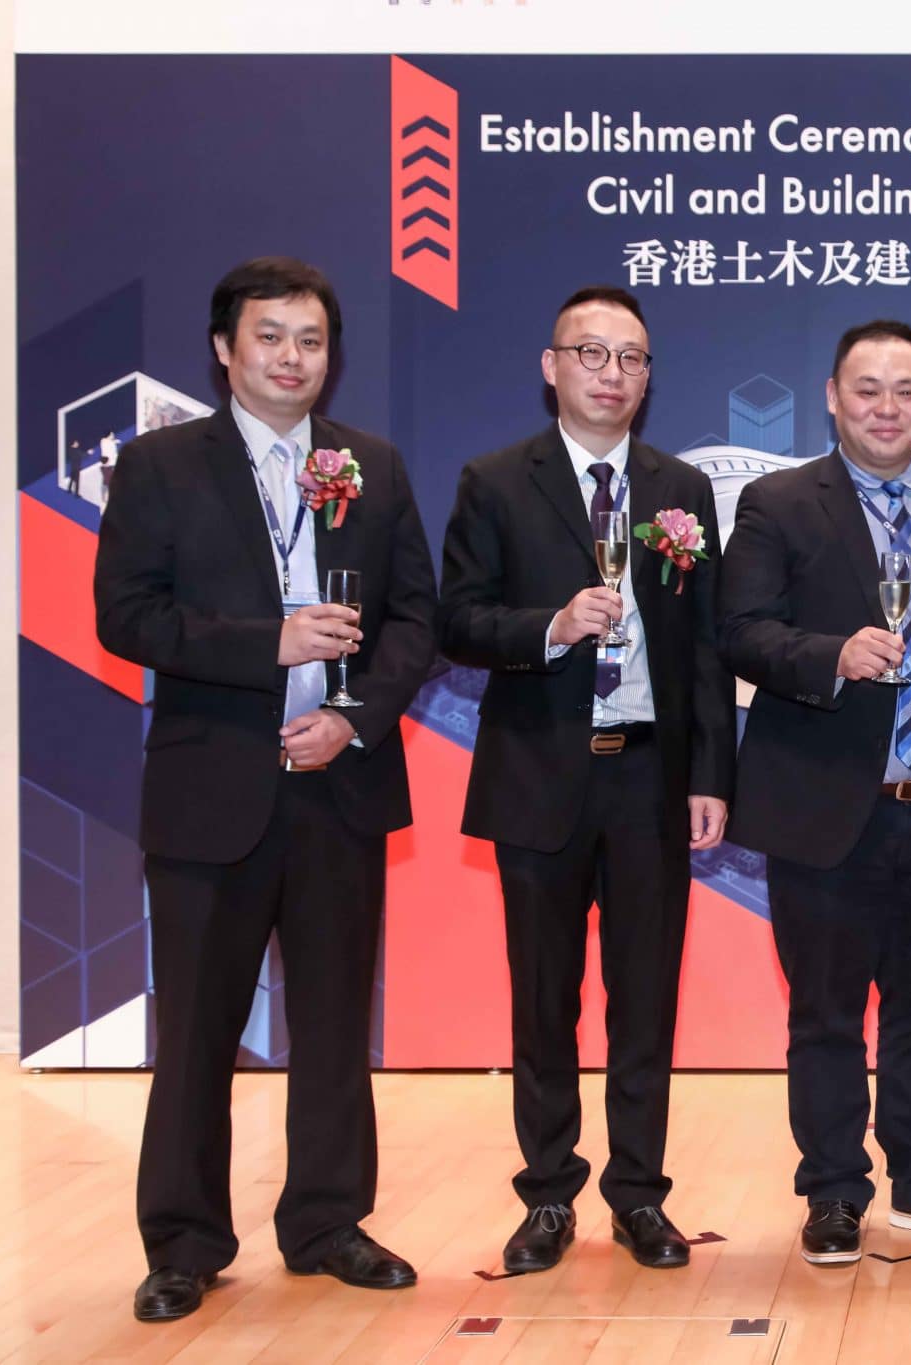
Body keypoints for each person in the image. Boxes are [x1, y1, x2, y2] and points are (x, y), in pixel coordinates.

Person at [95, 256, 438, 1321]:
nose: (292, 358)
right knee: (197, 1027)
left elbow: (414, 621)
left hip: (336, 787)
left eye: (311, 340)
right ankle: (185, 1241)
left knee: (335, 1022)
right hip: (212, 792)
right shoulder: (160, 466)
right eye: (270, 337)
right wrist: (268, 643)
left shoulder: (369, 465)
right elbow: (126, 618)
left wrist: (351, 719)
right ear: (223, 348)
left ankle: (328, 1220)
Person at [438, 285, 735, 1273]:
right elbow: (457, 621)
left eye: (632, 359)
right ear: (550, 364)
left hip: (650, 776)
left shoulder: (680, 488)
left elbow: (702, 647)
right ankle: (547, 1196)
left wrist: (709, 775)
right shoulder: (495, 481)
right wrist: (551, 628)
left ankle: (640, 1196)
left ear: (649, 376)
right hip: (540, 777)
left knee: (644, 999)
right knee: (543, 999)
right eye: (593, 354)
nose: (613, 375)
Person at [717, 319, 911, 1265]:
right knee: (829, 1011)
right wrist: (830, 656)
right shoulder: (778, 504)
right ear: (835, 400)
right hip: (828, 805)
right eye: (868, 389)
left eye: (906, 390)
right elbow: (740, 632)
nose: (887, 407)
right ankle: (835, 1189)